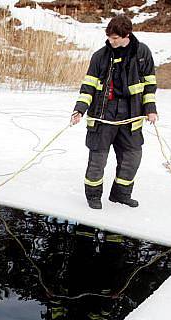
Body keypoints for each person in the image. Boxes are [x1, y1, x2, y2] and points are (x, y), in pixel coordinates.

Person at [71, 15, 158, 210]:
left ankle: (121, 195)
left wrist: (150, 109)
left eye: (115, 38)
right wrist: (79, 110)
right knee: (97, 160)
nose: (111, 41)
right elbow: (88, 86)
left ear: (127, 35)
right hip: (103, 116)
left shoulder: (142, 53)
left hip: (131, 115)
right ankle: (93, 196)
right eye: (110, 38)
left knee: (132, 157)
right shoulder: (100, 56)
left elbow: (150, 85)